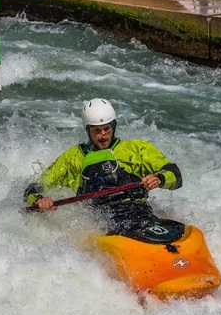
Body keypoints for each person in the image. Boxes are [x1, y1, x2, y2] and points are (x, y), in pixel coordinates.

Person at [24, 98, 182, 235]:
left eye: (107, 128)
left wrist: (159, 178)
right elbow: (33, 189)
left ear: (114, 126)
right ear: (88, 131)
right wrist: (39, 200)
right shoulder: (72, 158)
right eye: (97, 131)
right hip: (98, 219)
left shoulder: (137, 149)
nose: (103, 135)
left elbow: (175, 175)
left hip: (137, 210)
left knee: (163, 215)